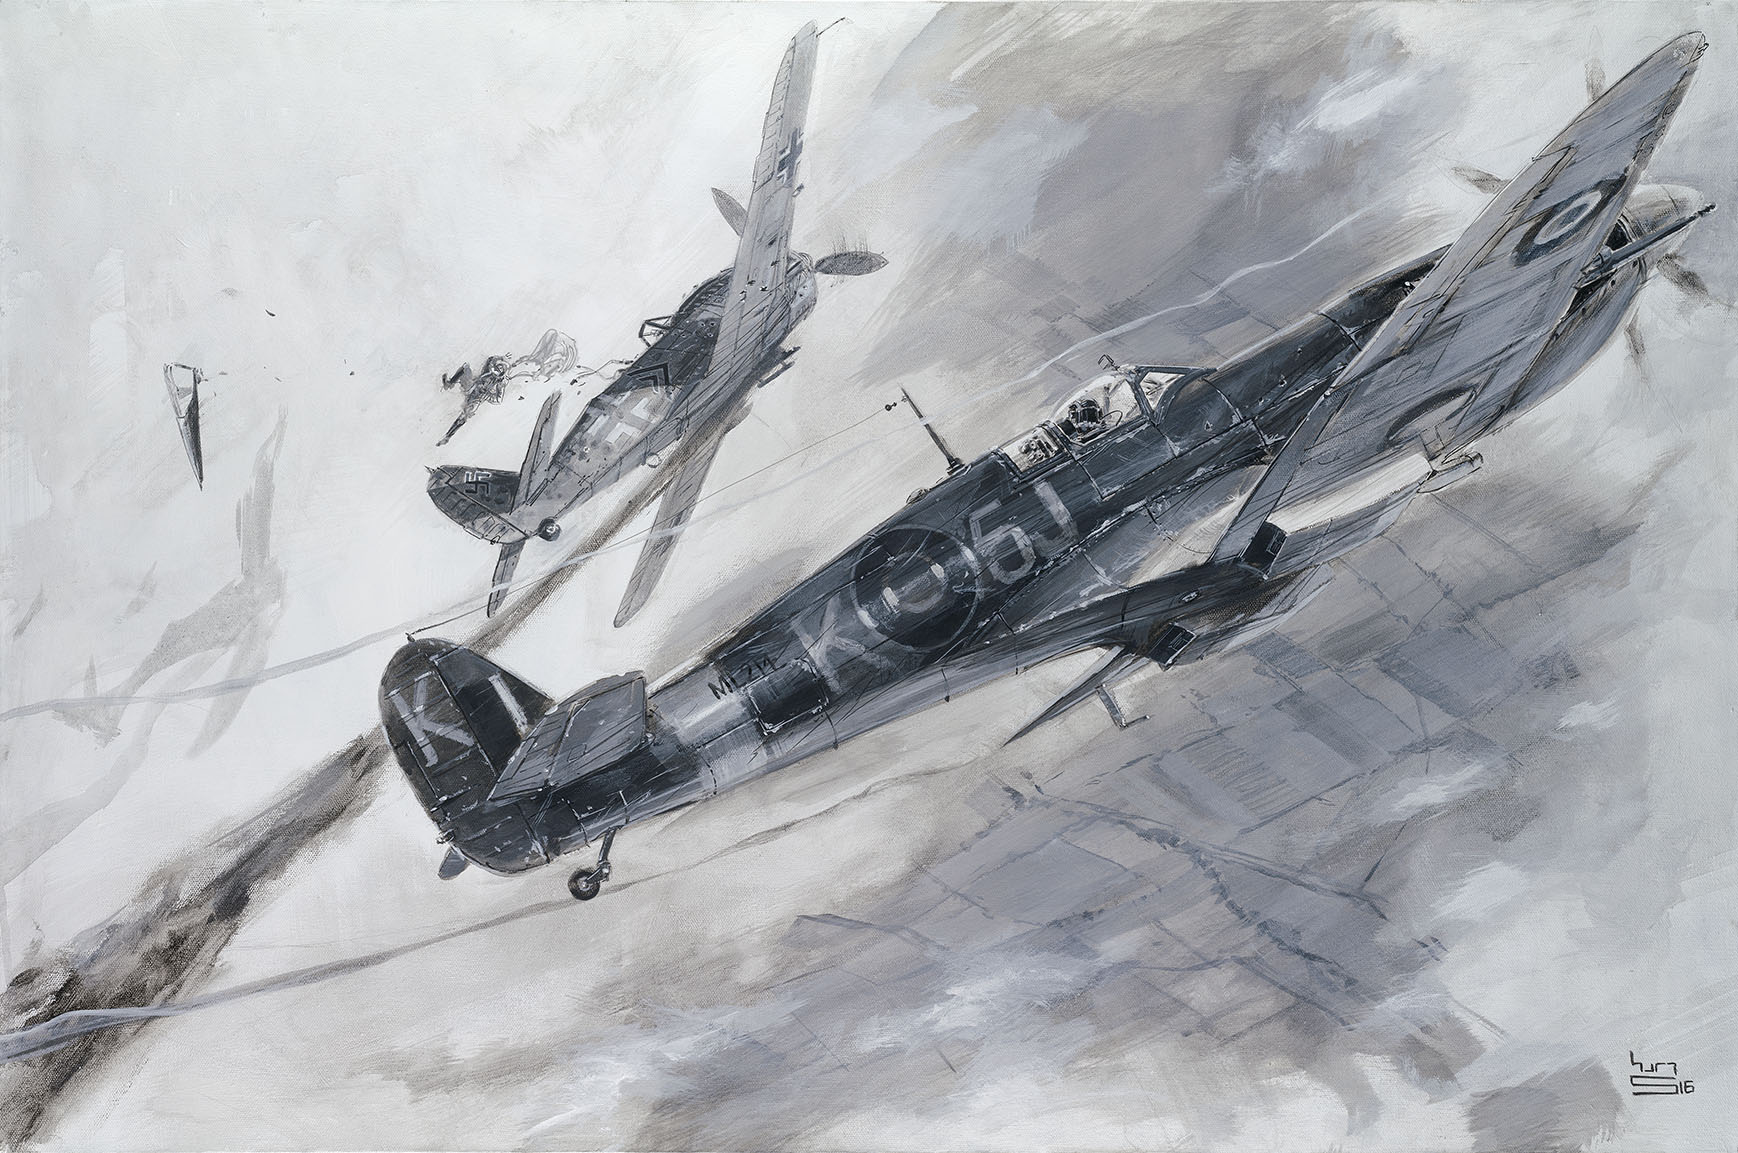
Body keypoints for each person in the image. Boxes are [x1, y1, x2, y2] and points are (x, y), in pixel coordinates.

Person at [437, 355, 510, 445]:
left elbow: (498, 400)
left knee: (464, 415)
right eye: (498, 367)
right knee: (465, 367)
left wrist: (487, 394)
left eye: (501, 369)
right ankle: (449, 384)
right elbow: (491, 359)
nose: (498, 369)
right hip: (471, 386)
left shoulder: (499, 384)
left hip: (477, 398)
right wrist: (502, 358)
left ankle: (447, 437)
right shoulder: (489, 370)